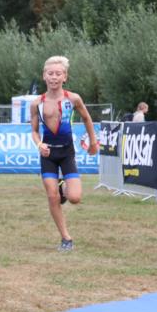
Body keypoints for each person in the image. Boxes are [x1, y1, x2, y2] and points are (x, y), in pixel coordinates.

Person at [29, 56, 99, 252]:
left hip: (67, 153)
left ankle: (63, 187)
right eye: (50, 73)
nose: (54, 77)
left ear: (65, 77)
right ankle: (66, 238)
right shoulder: (36, 103)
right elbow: (34, 131)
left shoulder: (73, 98)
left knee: (75, 197)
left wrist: (93, 142)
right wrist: (39, 144)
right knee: (52, 197)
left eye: (58, 74)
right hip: (48, 156)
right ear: (44, 76)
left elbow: (86, 118)